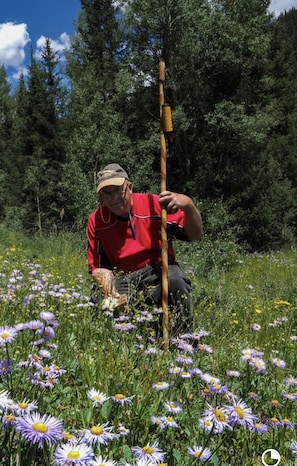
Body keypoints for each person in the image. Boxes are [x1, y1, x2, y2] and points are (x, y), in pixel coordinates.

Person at [86, 163, 202, 332]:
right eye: (107, 193)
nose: (113, 198)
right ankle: (122, 341)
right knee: (99, 300)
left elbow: (195, 235)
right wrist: (106, 284)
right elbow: (98, 266)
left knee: (175, 280)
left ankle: (183, 336)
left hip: (158, 269)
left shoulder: (153, 204)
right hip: (124, 278)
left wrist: (189, 206)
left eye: (118, 190)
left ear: (129, 186)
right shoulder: (97, 221)